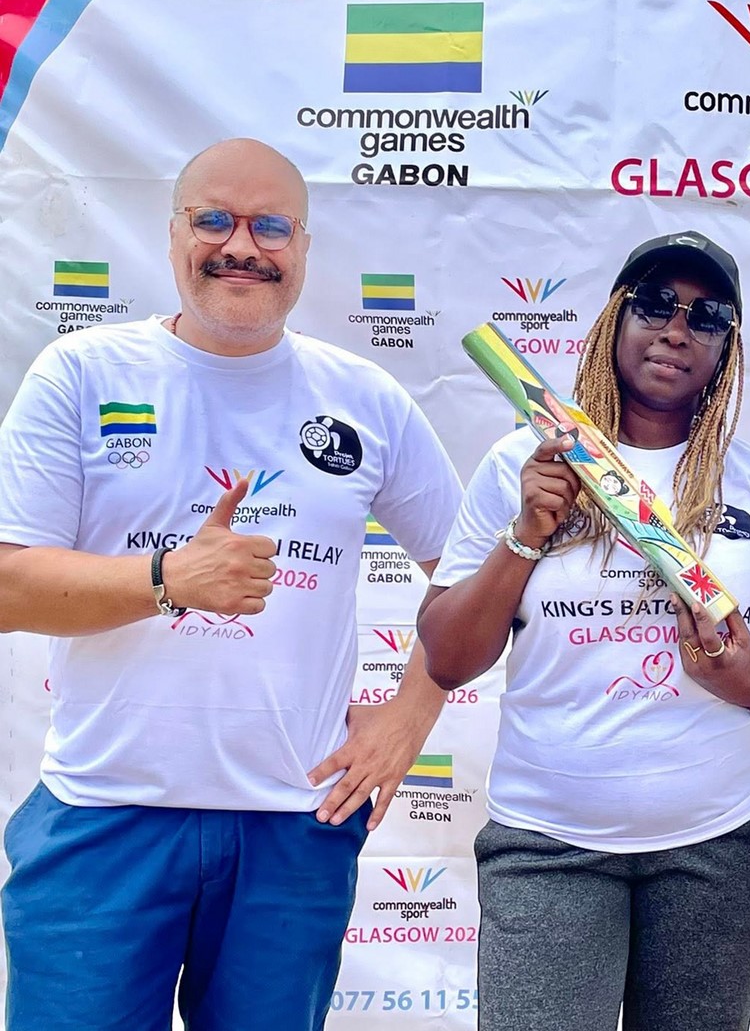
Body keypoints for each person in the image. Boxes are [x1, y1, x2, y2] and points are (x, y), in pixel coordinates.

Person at [0, 138, 462, 1031]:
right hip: (104, 817)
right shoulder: (82, 374)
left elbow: (469, 577)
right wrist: (168, 577)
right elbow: (9, 585)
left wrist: (410, 719)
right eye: (213, 219)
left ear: (303, 247)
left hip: (292, 825)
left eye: (270, 226)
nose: (241, 245)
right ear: (173, 233)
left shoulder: (364, 398)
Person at [417, 231, 750, 1031]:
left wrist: (742, 679)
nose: (676, 330)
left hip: (720, 844)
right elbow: (447, 658)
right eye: (655, 305)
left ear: (727, 350)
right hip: (549, 841)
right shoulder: (525, 463)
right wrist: (526, 535)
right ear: (614, 318)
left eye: (707, 317)